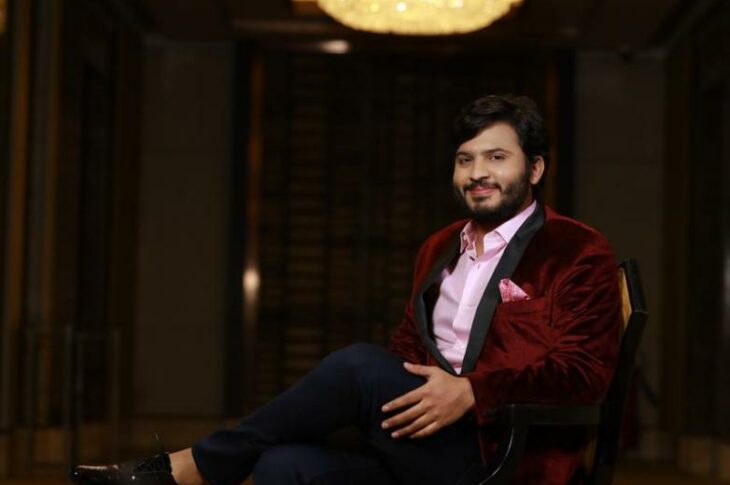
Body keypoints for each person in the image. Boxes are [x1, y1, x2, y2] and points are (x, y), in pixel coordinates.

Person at [69, 94, 621, 485]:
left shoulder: (577, 248)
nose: (477, 172)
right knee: (282, 465)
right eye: (464, 159)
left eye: (496, 157)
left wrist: (475, 391)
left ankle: (192, 467)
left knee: (358, 365)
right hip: (421, 438)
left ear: (535, 168)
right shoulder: (439, 247)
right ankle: (211, 463)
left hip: (502, 450)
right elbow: (409, 350)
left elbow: (585, 374)